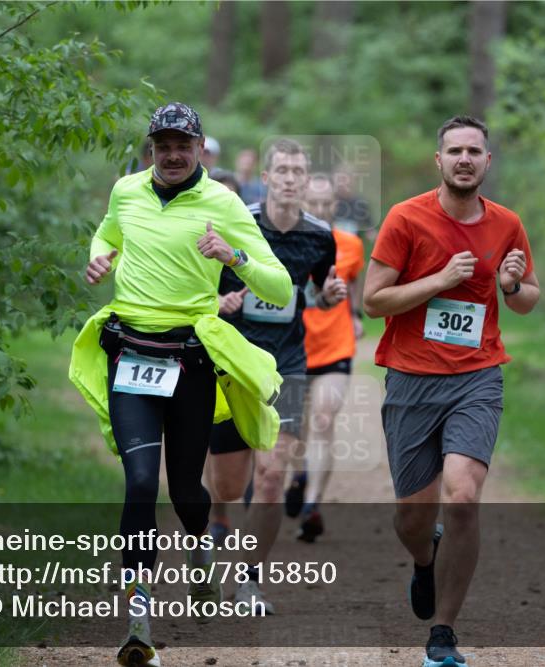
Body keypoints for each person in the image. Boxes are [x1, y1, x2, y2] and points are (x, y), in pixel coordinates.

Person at [73, 102, 292, 667]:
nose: (171, 154)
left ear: (198, 148)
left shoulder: (222, 202)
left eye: (182, 144)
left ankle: (199, 555)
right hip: (131, 354)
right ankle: (137, 617)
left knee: (188, 490)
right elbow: (106, 232)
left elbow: (280, 286)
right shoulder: (127, 191)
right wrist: (99, 258)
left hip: (190, 362)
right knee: (141, 480)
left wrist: (233, 254)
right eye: (162, 144)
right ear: (151, 148)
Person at [363, 115, 539, 667]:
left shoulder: (507, 224)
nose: (465, 159)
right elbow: (373, 301)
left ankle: (443, 634)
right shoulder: (406, 218)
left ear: (488, 162)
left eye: (475, 151)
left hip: (477, 377)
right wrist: (438, 281)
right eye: (455, 151)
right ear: (438, 161)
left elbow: (527, 297)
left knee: (463, 496)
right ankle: (423, 559)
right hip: (412, 377)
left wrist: (512, 284)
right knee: (413, 518)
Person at [206, 139, 347, 614]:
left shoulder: (319, 235)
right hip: (232, 361)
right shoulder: (235, 220)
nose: (290, 178)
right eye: (282, 170)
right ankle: (214, 522)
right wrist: (217, 304)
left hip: (286, 365)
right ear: (265, 178)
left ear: (307, 182)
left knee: (271, 477)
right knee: (228, 483)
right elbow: (196, 282)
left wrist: (330, 294)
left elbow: (320, 294)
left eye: (298, 171)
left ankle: (247, 583)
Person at [284, 173, 365, 542]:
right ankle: (299, 475)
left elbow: (355, 282)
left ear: (336, 205)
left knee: (322, 420)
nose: (318, 210)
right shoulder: (284, 242)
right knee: (295, 430)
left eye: (325, 204)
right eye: (312, 203)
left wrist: (356, 314)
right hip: (293, 346)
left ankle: (312, 506)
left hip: (336, 345)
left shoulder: (350, 244)